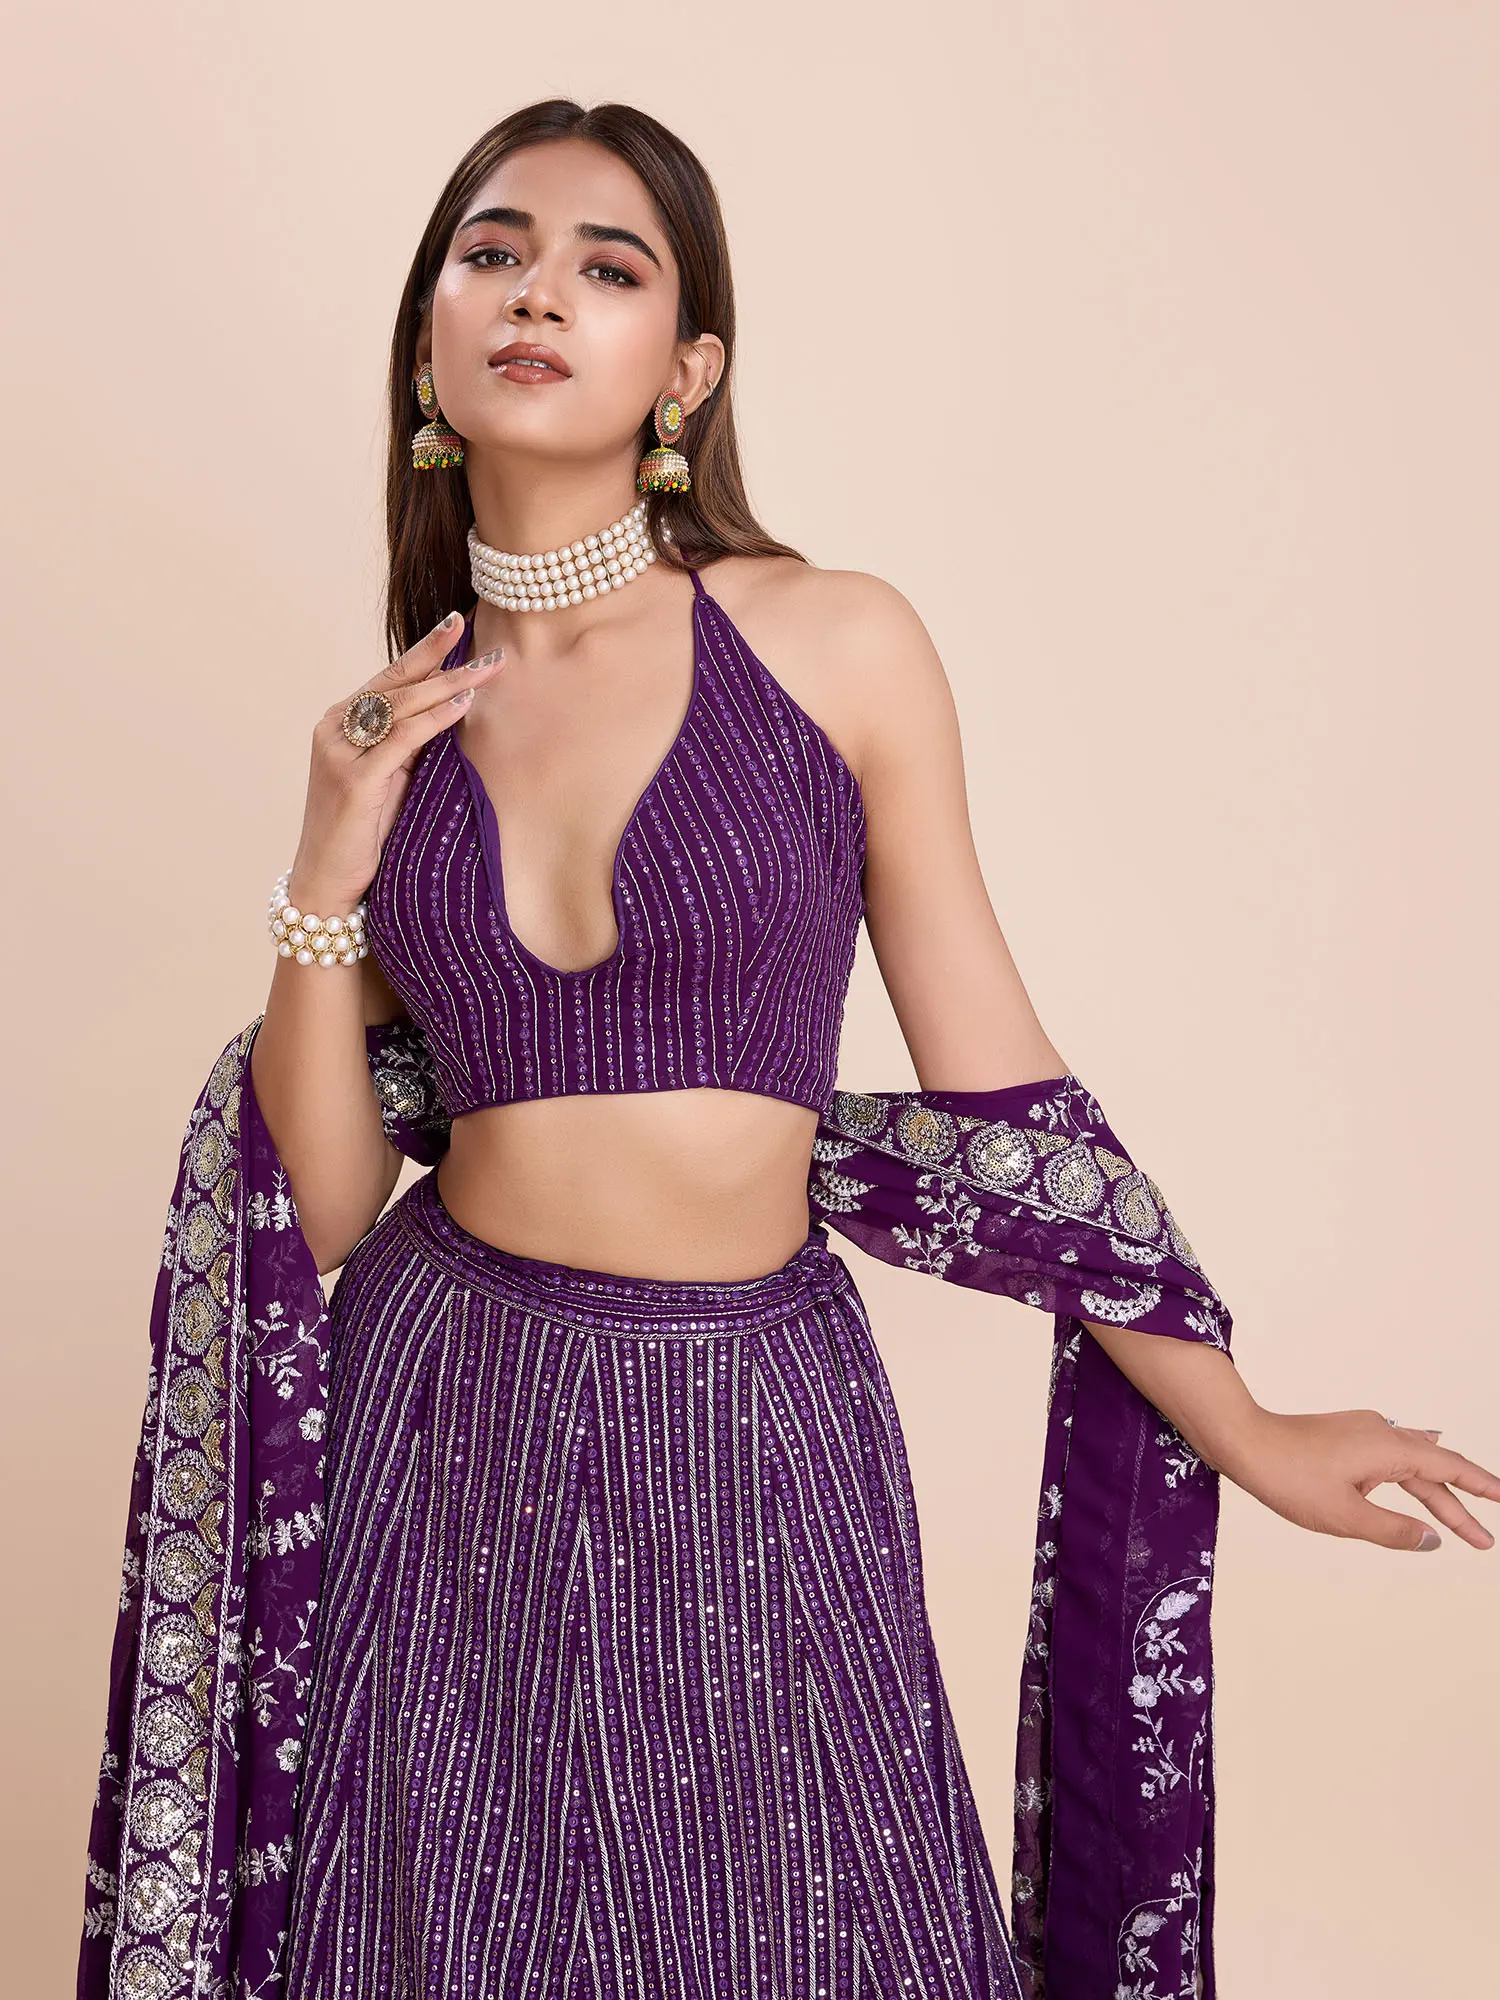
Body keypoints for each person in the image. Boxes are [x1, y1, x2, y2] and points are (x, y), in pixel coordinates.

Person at [78, 98, 1499, 2000]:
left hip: (756, 1414)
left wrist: (1238, 1422)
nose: (537, 294)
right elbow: (315, 1212)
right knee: (436, 1934)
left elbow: (1002, 1092)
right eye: (492, 254)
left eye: (607, 269)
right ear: (428, 346)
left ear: (689, 371)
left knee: (821, 1924)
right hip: (445, 1411)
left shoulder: (832, 644)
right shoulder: (390, 736)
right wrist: (326, 861)